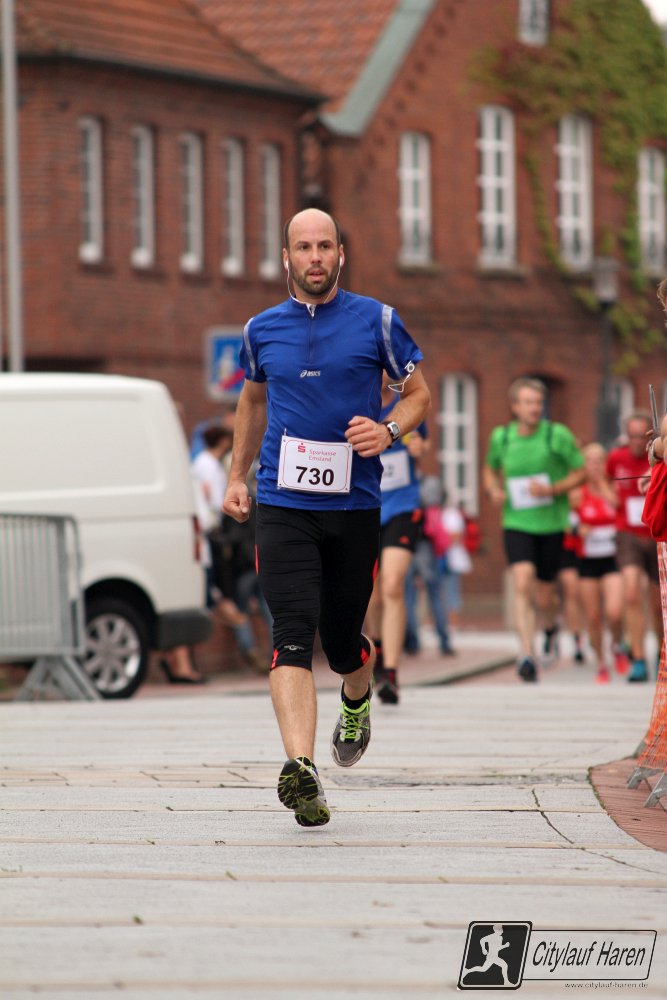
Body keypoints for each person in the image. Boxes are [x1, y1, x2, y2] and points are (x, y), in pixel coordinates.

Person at [223, 208, 430, 827]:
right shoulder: (261, 329)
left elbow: (418, 394)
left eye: (324, 246)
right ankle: (302, 768)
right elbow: (252, 401)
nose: (314, 257)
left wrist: (388, 429)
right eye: (303, 247)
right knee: (291, 633)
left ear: (341, 254)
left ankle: (357, 697)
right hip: (283, 503)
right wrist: (237, 477)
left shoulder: (378, 321)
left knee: (342, 644)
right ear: (286, 257)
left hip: (354, 505)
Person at [483, 377, 585, 682]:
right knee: (522, 580)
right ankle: (526, 653)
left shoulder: (557, 435)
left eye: (539, 402)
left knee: (545, 595)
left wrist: (552, 489)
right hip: (516, 522)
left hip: (551, 523)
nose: (534, 408)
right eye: (528, 402)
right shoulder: (502, 437)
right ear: (515, 406)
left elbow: (580, 472)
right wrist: (493, 489)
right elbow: (490, 469)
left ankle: (550, 626)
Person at [365, 378, 428, 705]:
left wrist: (419, 449)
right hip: (364, 507)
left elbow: (421, 442)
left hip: (402, 507)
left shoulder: (406, 404)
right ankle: (377, 645)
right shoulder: (353, 402)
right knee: (370, 593)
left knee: (392, 584)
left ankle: (390, 672)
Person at [607, 410, 663, 682]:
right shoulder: (616, 458)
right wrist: (611, 497)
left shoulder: (658, 455)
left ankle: (661, 656)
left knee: (657, 603)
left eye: (641, 436)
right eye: (631, 436)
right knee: (630, 593)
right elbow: (602, 481)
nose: (636, 441)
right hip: (628, 533)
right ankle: (638, 658)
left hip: (655, 533)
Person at [574, 443, 626, 683]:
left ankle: (616, 643)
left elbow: (620, 509)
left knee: (614, 611)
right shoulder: (577, 493)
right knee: (593, 617)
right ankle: (601, 663)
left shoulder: (613, 488)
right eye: (590, 461)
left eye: (598, 461)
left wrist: (604, 488)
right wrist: (578, 529)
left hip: (611, 558)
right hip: (587, 560)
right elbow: (567, 523)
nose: (594, 466)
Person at [404, 475, 455, 659]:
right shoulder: (430, 483)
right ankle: (444, 641)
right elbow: (440, 499)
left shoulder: (402, 481)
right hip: (426, 545)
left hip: (405, 543)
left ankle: (412, 642)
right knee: (435, 594)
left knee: (407, 596)